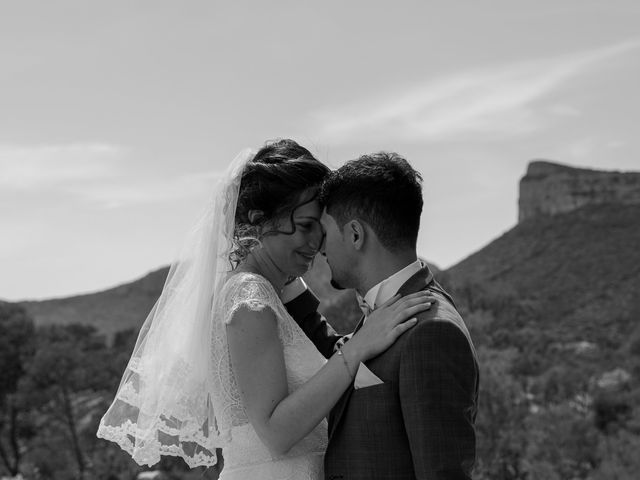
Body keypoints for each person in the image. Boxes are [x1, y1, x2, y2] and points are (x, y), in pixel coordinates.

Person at [97, 140, 435, 479]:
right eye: (304, 226)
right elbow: (276, 432)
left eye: (320, 228)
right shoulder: (249, 296)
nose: (316, 244)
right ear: (259, 220)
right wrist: (358, 348)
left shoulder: (265, 290)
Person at [285, 152, 480, 480]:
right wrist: (282, 276)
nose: (320, 249)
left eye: (326, 234)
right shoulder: (388, 312)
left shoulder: (431, 332)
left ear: (356, 235)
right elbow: (342, 355)